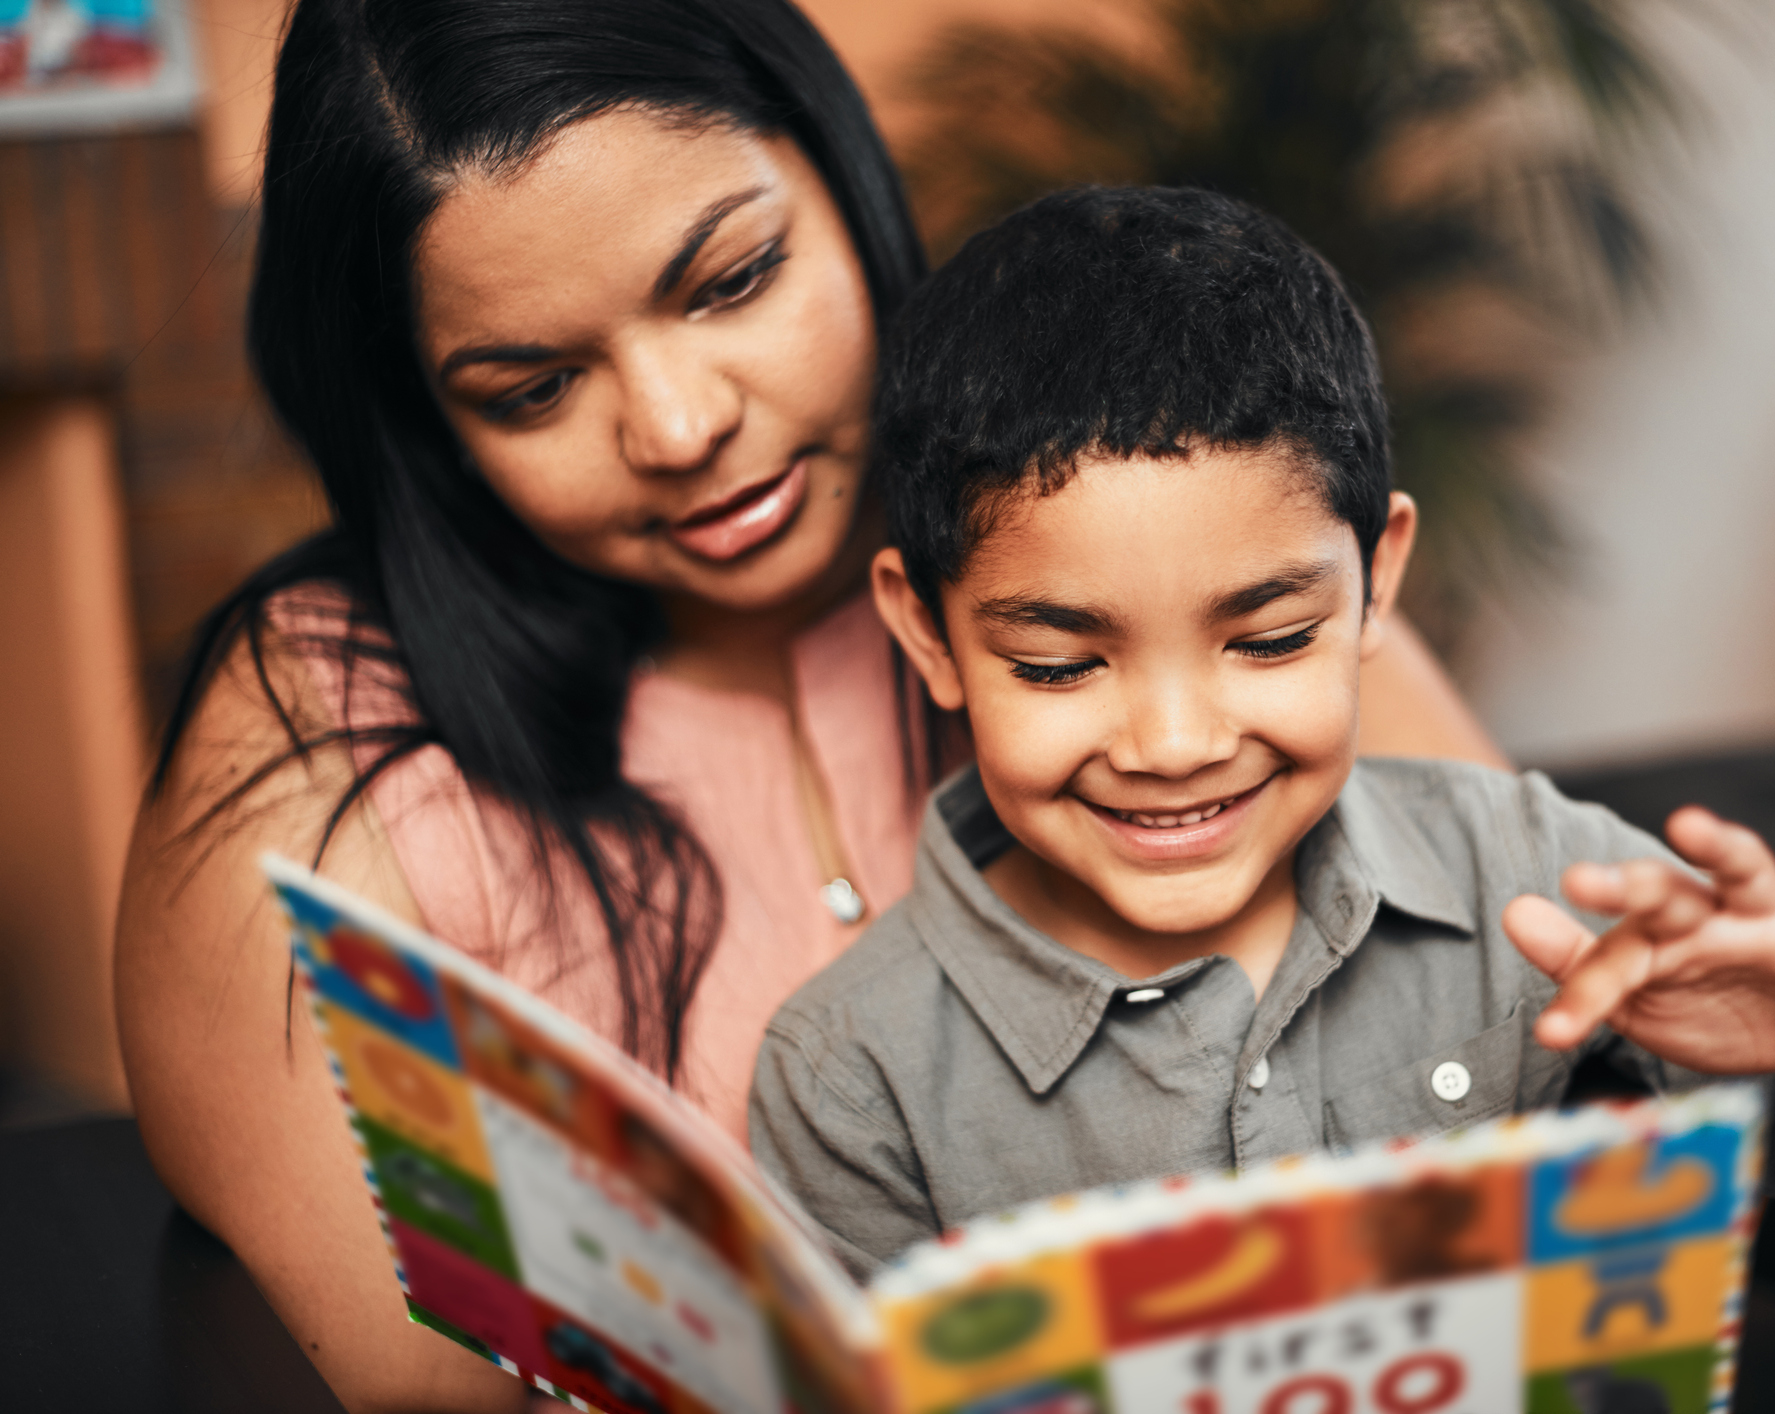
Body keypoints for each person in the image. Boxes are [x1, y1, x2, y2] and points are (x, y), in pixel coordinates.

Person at [113, 3, 1500, 1410]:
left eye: (732, 279)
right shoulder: (321, 739)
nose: (676, 425)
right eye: (534, 387)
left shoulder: (1121, 513)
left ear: (841, 176)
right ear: (430, 422)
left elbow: (1520, 1024)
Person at [748, 187, 1775, 1285]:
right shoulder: (851, 1073)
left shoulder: (1518, 865)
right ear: (927, 636)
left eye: (1268, 639)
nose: (1172, 740)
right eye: (1057, 662)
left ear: (1377, 580)